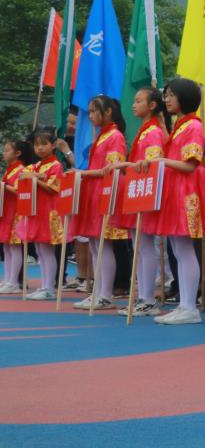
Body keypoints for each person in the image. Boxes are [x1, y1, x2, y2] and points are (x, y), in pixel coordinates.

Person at [139, 78, 205, 325]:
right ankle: (185, 304)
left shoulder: (193, 127)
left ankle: (190, 307)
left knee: (185, 249)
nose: (166, 99)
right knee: (179, 249)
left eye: (171, 95)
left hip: (186, 191)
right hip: (176, 190)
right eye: (165, 95)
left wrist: (162, 162)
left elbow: (190, 165)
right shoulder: (180, 125)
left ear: (185, 97)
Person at [112, 88, 169, 316]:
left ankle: (147, 298)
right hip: (138, 192)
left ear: (153, 105)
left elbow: (152, 164)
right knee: (140, 247)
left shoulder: (153, 131)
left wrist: (126, 166)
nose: (134, 105)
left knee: (145, 247)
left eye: (139, 101)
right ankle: (143, 296)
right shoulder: (144, 131)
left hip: (144, 192)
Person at [71, 96, 128, 311]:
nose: (91, 116)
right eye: (90, 111)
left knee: (104, 245)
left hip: (104, 193)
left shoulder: (114, 136)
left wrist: (82, 173)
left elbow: (112, 168)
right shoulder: (102, 136)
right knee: (95, 245)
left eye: (95, 111)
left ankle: (106, 294)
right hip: (94, 192)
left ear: (108, 113)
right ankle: (98, 290)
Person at [20, 130, 66, 301]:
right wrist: (34, 175)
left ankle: (49, 287)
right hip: (37, 211)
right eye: (36, 144)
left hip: (49, 212)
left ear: (53, 145)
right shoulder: (37, 166)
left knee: (47, 250)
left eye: (44, 144)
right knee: (40, 250)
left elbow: (53, 187)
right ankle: (44, 285)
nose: (39, 148)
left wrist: (35, 178)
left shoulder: (56, 165)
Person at [0, 140, 38, 293]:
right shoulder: (9, 170)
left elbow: (20, 191)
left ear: (18, 153)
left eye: (7, 150)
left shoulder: (21, 170)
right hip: (7, 211)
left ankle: (14, 282)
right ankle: (8, 279)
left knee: (15, 247)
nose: (4, 153)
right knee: (7, 247)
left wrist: (3, 186)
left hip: (17, 213)